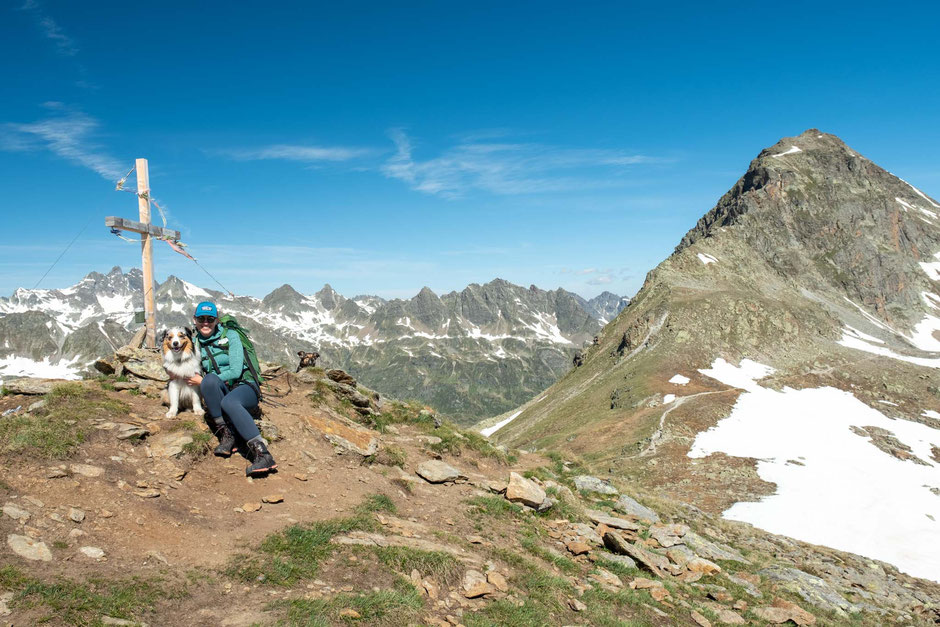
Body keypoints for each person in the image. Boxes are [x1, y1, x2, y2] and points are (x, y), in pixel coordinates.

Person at [186, 301, 277, 477]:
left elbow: (235, 371)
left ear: (217, 320)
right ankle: (229, 437)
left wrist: (202, 381)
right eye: (201, 319)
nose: (205, 322)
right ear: (194, 320)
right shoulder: (194, 342)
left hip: (245, 386)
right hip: (222, 388)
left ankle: (263, 454)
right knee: (210, 381)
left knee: (229, 401)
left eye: (210, 319)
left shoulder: (232, 336)